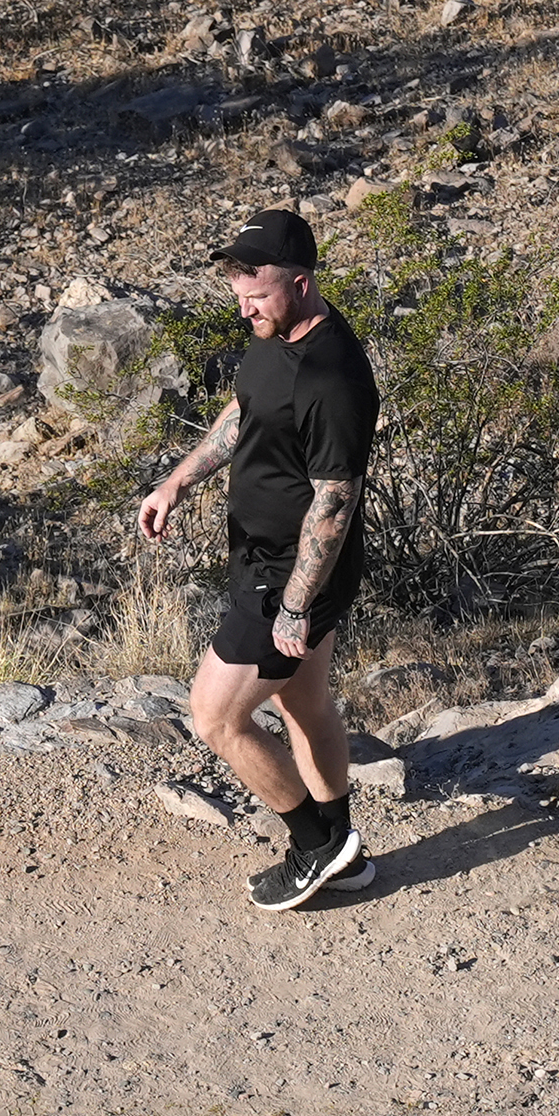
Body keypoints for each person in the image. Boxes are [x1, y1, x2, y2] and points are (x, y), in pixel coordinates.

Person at [137, 209, 380, 910]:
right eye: (238, 292)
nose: (243, 307)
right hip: (268, 564)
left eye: (256, 292)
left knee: (215, 716)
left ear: (300, 284)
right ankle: (345, 850)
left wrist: (296, 606)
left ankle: (315, 845)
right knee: (305, 705)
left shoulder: (333, 379)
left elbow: (335, 499)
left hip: (288, 575)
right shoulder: (274, 336)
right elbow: (247, 411)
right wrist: (180, 480)